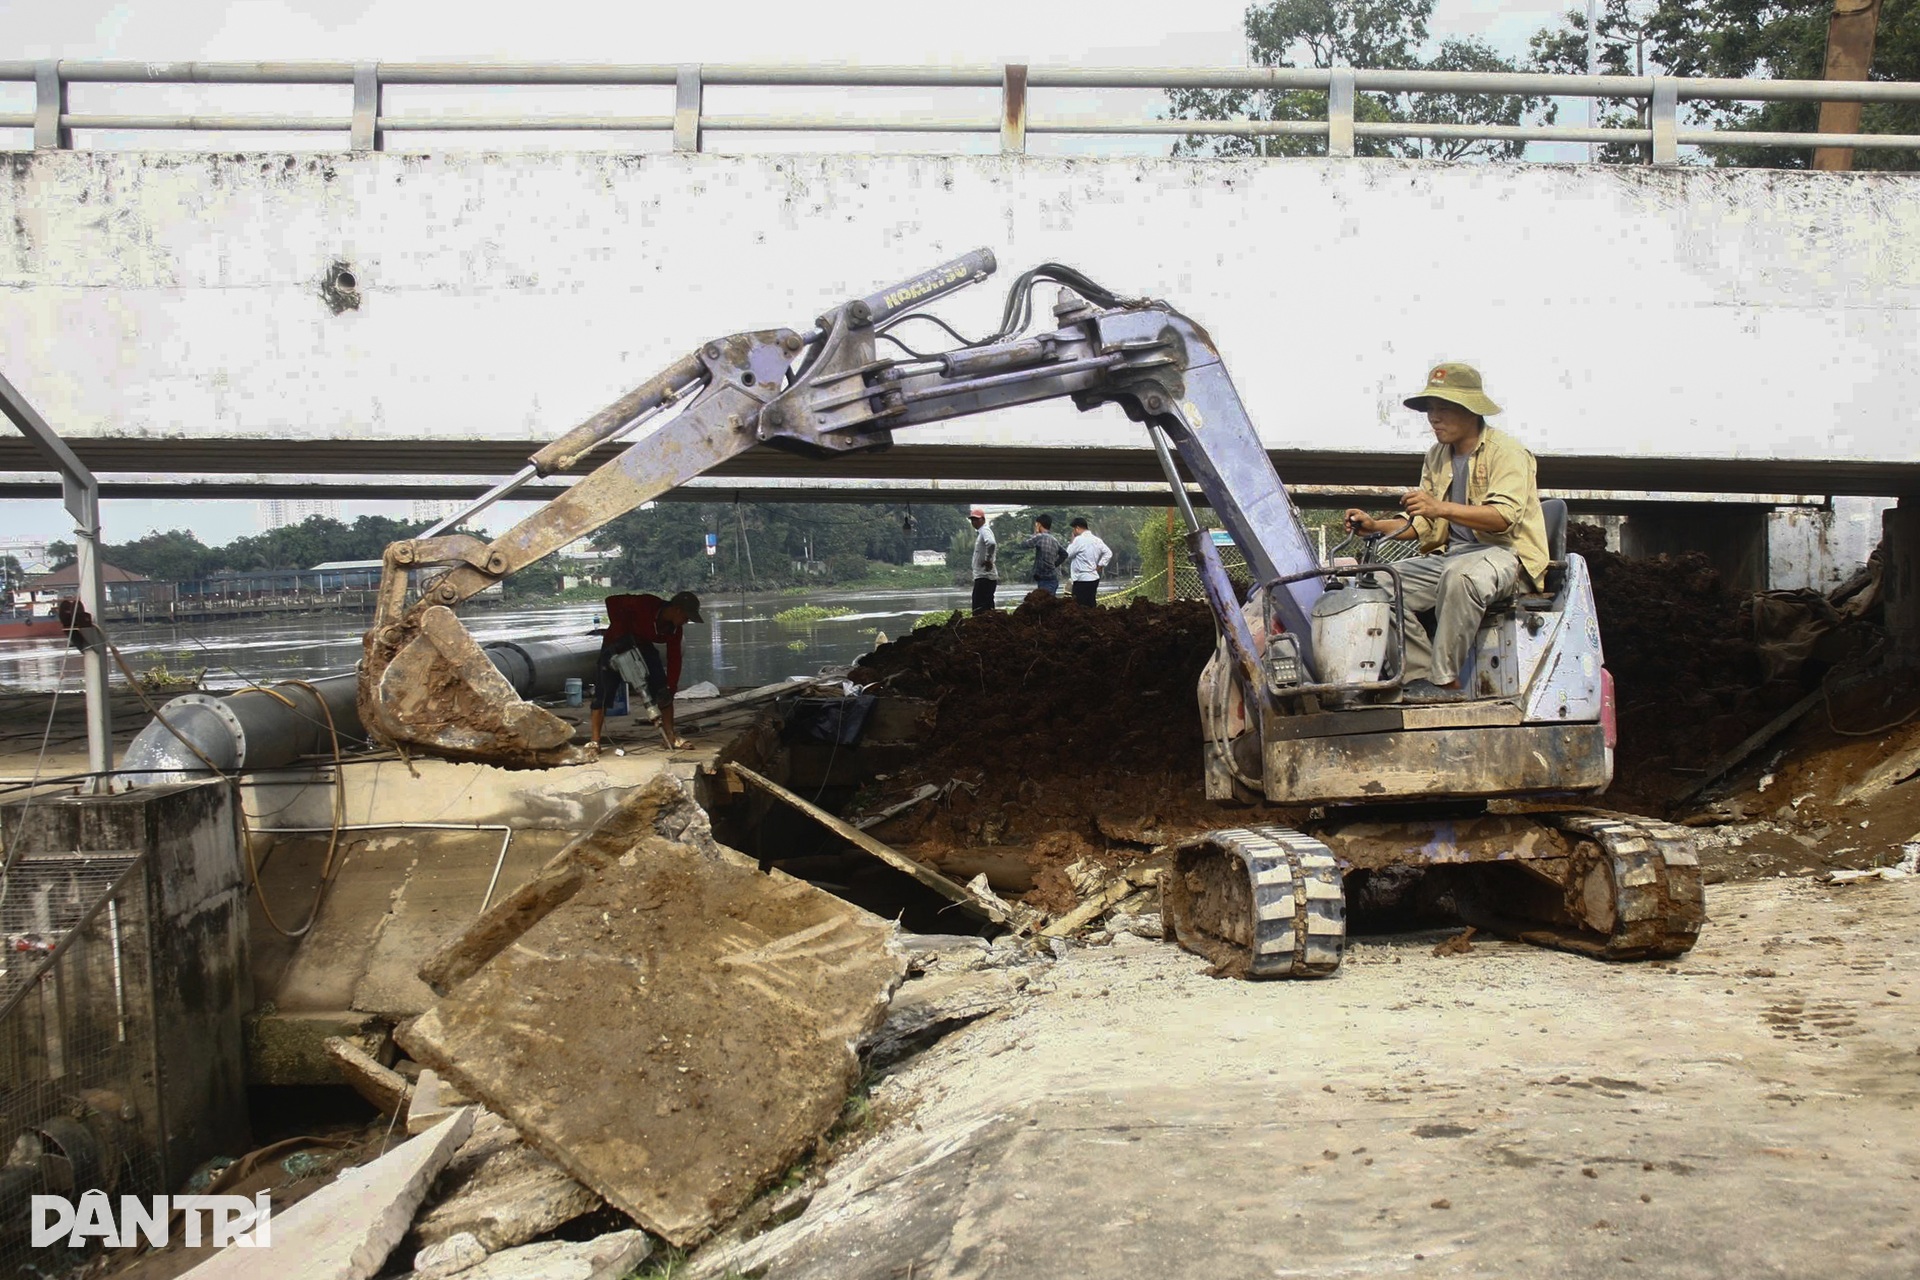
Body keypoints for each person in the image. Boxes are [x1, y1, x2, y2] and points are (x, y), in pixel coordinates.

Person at [1342, 362, 1548, 701]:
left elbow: (1503, 518)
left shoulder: (1508, 453)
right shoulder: (1436, 456)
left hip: (1507, 557)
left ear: (1471, 410)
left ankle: (1444, 679)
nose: (1434, 418)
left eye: (1443, 409)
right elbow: (1423, 524)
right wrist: (1376, 526)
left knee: (1462, 576)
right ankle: (1420, 676)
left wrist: (1440, 508)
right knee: (1376, 583)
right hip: (1450, 557)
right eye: (1430, 410)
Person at [590, 589, 705, 749]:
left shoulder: (675, 630)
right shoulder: (646, 604)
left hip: (642, 645)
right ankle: (595, 741)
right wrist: (620, 628)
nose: (686, 621)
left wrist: (671, 688)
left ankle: (669, 737)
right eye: (686, 617)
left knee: (662, 690)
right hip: (615, 643)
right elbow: (611, 600)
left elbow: (674, 658)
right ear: (677, 610)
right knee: (602, 694)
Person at [1063, 517, 1112, 606]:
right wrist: (1101, 565)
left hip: (1081, 579)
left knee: (1080, 606)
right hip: (1093, 577)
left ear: (1077, 528)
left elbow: (1068, 554)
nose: (1073, 532)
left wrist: (1072, 540)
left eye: (1073, 530)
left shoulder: (1078, 540)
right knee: (1091, 604)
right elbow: (1108, 553)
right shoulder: (1097, 540)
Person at [1020, 513, 1068, 596]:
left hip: (1044, 578)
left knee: (1045, 604)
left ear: (1039, 525)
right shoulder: (1054, 539)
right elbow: (1064, 554)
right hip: (1053, 577)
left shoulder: (1039, 537)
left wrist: (1035, 533)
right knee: (1049, 603)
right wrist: (1055, 564)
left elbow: (1024, 545)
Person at [967, 506, 998, 614]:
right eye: (972, 520)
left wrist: (988, 560)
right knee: (986, 606)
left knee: (978, 607)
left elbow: (991, 543)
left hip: (984, 576)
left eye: (976, 519)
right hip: (984, 576)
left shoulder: (984, 530)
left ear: (983, 519)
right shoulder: (982, 532)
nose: (974, 522)